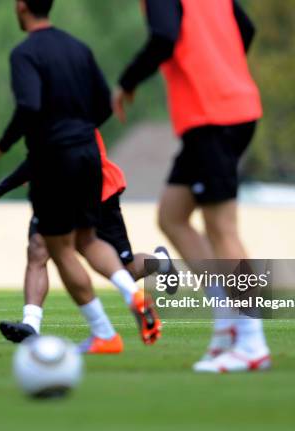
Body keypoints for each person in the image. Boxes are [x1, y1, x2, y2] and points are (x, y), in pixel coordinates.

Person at [0, 0, 162, 353]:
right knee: (87, 240)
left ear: (21, 7)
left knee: (59, 248)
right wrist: (79, 128)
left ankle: (104, 334)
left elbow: (29, 106)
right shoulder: (77, 47)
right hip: (88, 155)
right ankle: (133, 294)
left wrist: (2, 145)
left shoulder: (25, 53)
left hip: (54, 158)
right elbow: (102, 103)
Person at [113, 0, 270, 372]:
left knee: (222, 228)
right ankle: (228, 323)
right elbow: (245, 28)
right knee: (173, 214)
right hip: (227, 110)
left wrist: (127, 80)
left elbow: (165, 38)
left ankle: (251, 341)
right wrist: (223, 69)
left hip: (213, 116)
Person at [0, 130, 175, 343]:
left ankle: (158, 264)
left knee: (124, 268)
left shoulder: (61, 109)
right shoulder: (49, 106)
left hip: (96, 189)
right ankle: (31, 323)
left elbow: (42, 151)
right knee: (38, 250)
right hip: (56, 189)